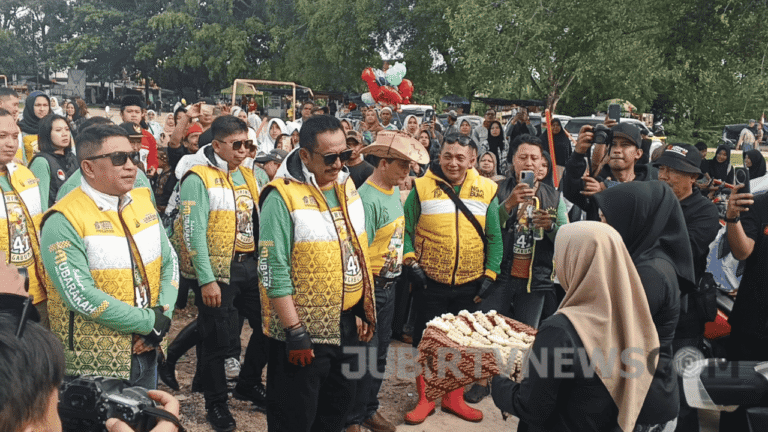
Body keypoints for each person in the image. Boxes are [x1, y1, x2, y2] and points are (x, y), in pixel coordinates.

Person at [259, 115, 377, 432]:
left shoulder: (347, 185)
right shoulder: (281, 196)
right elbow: (272, 268)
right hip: (302, 331)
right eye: (329, 157)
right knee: (294, 420)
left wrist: (360, 305)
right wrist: (294, 331)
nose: (339, 164)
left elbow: (357, 249)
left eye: (345, 155)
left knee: (334, 414)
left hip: (345, 326)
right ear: (305, 155)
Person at [40, 124, 178, 387]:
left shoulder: (141, 201)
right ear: (89, 168)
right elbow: (79, 295)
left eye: (132, 156)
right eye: (118, 159)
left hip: (147, 349)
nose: (131, 166)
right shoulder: (62, 220)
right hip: (93, 364)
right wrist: (150, 321)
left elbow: (168, 260)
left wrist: (163, 315)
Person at [491, 222, 660, 432]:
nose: (555, 260)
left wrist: (495, 380)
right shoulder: (634, 322)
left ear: (579, 260)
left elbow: (531, 407)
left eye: (560, 253)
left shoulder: (561, 330)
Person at [402, 134, 503, 424]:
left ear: (472, 159)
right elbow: (405, 229)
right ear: (439, 155)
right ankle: (425, 398)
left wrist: (490, 273)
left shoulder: (487, 189)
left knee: (462, 344)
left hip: (470, 283)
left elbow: (494, 238)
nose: (453, 162)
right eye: (448, 155)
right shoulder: (421, 187)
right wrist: (411, 261)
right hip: (428, 280)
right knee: (426, 342)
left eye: (460, 157)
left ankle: (453, 398)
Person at [174, 115, 265, 431]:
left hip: (248, 265)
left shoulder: (248, 176)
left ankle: (248, 383)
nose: (244, 151)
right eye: (237, 145)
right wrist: (206, 278)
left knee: (269, 327)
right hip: (218, 271)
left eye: (248, 145)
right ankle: (216, 404)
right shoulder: (196, 178)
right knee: (217, 340)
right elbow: (193, 231)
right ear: (217, 145)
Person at [345, 130, 430, 432]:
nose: (407, 172)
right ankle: (351, 418)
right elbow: (356, 254)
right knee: (363, 356)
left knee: (380, 354)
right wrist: (359, 304)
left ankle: (368, 408)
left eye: (409, 166)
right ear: (383, 163)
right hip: (371, 287)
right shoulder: (366, 199)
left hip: (391, 285)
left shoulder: (393, 190)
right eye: (402, 166)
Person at [594, 181, 696, 430]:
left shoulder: (650, 272)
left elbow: (615, 333)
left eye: (607, 219)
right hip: (642, 392)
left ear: (633, 221)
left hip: (645, 402)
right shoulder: (645, 259)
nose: (601, 227)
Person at [654, 143, 720, 432]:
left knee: (680, 394)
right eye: (663, 169)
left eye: (675, 171)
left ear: (693, 177)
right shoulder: (653, 199)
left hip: (685, 316)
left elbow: (687, 250)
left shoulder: (704, 210)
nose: (665, 176)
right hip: (650, 309)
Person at [722, 168, 768, 430]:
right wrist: (732, 219)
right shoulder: (759, 203)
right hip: (752, 329)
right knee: (738, 408)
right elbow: (742, 251)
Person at [0, 108, 49, 324]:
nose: (11, 143)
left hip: (36, 292)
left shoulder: (24, 174)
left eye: (14, 136)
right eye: (2, 136)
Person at [562, 122, 655, 220]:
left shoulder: (649, 183)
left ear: (638, 153)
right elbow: (571, 192)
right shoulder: (597, 183)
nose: (617, 150)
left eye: (625, 145)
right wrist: (578, 154)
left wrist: (607, 191)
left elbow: (640, 198)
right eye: (613, 144)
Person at [29, 114, 78, 208]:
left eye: (67, 129)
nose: (64, 134)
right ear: (47, 133)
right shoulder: (41, 162)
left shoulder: (72, 158)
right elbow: (41, 201)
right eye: (58, 130)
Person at [120, 95, 159, 173]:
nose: (134, 115)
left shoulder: (148, 137)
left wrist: (153, 167)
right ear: (121, 114)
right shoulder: (115, 135)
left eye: (137, 112)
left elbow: (153, 160)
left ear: (142, 114)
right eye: (129, 111)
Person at [17, 91, 50, 164]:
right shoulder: (20, 129)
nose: (42, 109)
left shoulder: (56, 126)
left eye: (45, 105)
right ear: (30, 106)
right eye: (38, 105)